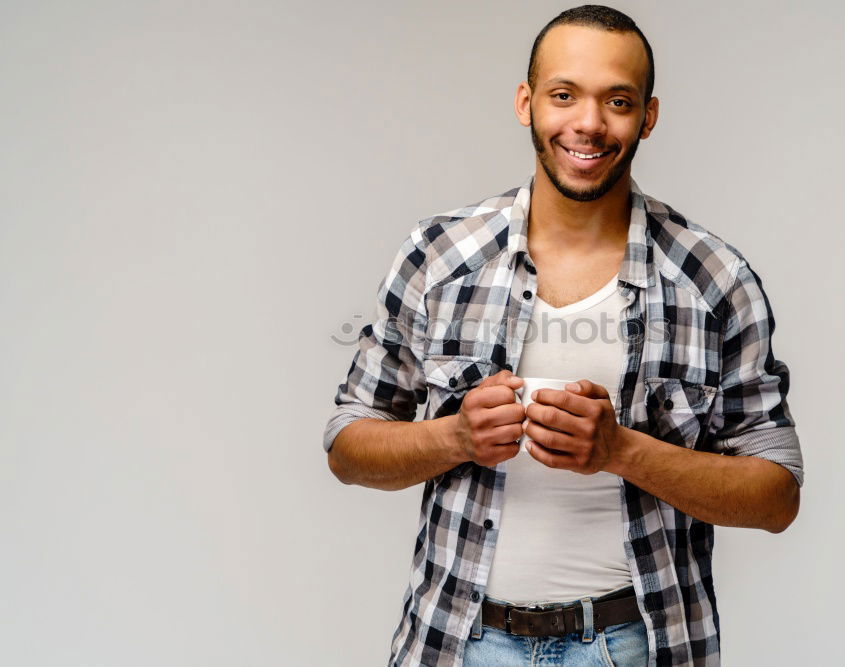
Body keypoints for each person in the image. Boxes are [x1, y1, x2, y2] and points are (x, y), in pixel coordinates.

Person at [323, 5, 804, 665]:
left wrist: (621, 450)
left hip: (633, 645)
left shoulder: (713, 278)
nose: (588, 123)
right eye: (564, 95)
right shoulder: (438, 256)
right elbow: (348, 446)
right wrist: (455, 436)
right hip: (459, 641)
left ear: (648, 117)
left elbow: (776, 494)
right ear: (526, 103)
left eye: (617, 101)